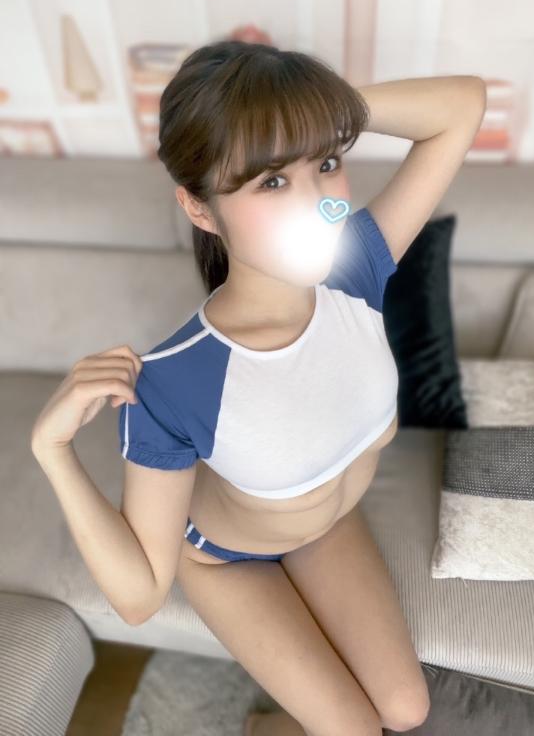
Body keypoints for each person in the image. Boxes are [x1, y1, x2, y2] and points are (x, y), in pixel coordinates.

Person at [31, 41, 428, 736]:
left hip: (327, 525)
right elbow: (138, 599)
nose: (317, 202)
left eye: (326, 162)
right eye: (271, 181)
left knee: (407, 709)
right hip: (226, 560)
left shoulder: (357, 267)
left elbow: (460, 111)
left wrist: (311, 112)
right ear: (200, 208)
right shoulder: (172, 378)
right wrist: (53, 450)